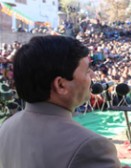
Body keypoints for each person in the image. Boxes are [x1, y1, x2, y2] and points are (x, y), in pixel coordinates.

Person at [0, 36, 121, 168]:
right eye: (87, 71)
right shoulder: (90, 147)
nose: (92, 75)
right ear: (61, 85)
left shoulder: (7, 127)